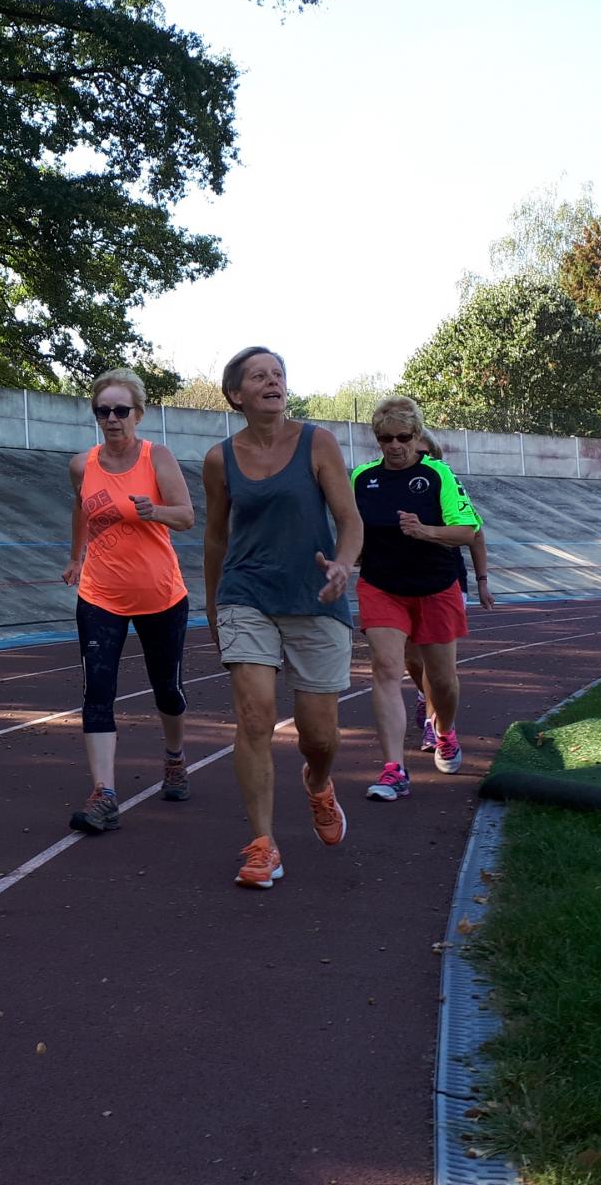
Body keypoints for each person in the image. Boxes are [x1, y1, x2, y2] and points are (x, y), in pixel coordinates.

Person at [203, 347, 362, 889]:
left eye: (278, 374)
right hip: (245, 594)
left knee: (320, 735)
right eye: (259, 376)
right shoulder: (220, 459)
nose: (273, 382)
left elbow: (349, 519)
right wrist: (211, 603)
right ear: (236, 395)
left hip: (315, 596)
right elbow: (217, 537)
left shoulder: (316, 442)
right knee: (254, 716)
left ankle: (318, 784)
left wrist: (344, 565)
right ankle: (263, 844)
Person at [60, 369, 196, 833]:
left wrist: (153, 511)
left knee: (167, 690)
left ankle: (175, 759)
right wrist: (76, 556)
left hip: (160, 594)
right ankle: (105, 794)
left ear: (138, 413)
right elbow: (80, 505)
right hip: (99, 594)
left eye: (121, 410)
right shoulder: (83, 464)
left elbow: (186, 517)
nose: (113, 419)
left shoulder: (157, 457)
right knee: (97, 693)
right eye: (104, 411)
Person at [351, 397, 481, 801]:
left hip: (435, 587)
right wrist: (339, 558)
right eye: (385, 438)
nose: (394, 446)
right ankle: (393, 769)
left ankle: (444, 731)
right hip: (381, 587)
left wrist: (426, 532)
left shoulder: (439, 475)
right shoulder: (360, 478)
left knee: (441, 680)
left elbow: (468, 531)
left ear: (417, 436)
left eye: (403, 438)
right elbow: (349, 528)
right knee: (386, 670)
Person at [406, 431, 495, 755]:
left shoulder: (447, 488)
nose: (420, 459)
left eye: (426, 454)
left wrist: (482, 581)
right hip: (400, 582)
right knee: (413, 661)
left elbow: (476, 536)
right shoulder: (391, 486)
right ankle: (424, 696)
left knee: (437, 664)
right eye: (416, 453)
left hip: (445, 581)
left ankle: (435, 723)